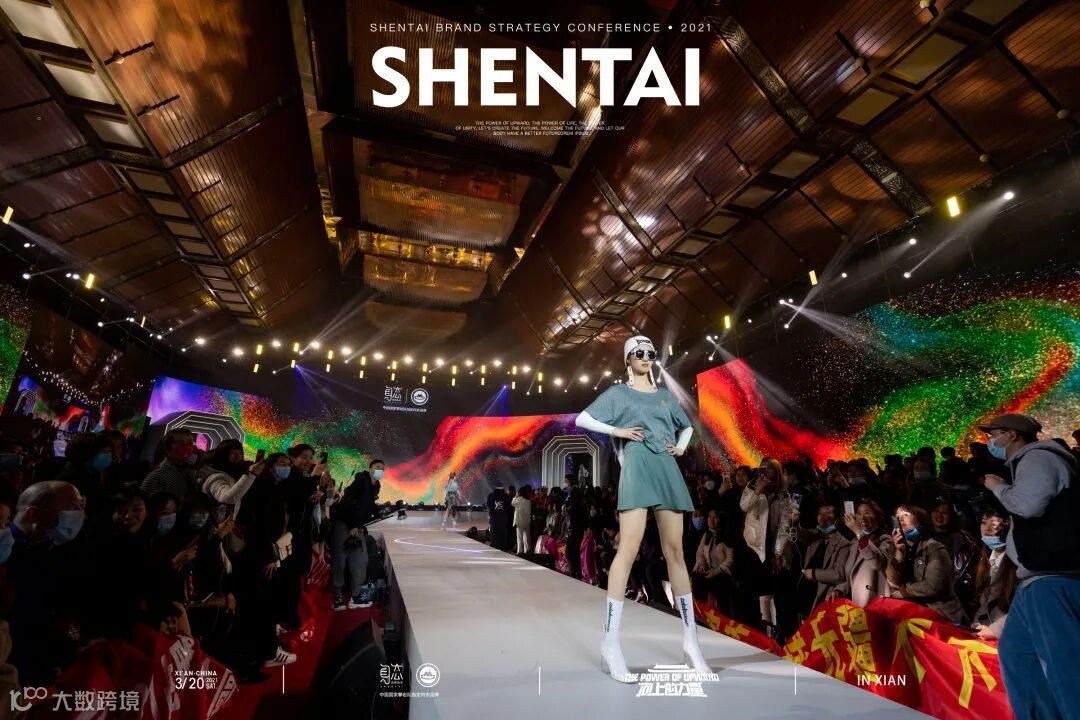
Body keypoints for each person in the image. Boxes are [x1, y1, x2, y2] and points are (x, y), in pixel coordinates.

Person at [575, 335, 709, 682]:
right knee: (628, 550)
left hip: (666, 466)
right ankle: (610, 643)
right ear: (627, 358)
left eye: (650, 352)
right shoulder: (618, 394)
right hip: (636, 464)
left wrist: (681, 447)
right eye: (639, 352)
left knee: (675, 552)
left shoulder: (665, 395)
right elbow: (582, 420)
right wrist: (617, 430)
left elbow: (687, 427)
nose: (646, 356)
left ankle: (691, 642)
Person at [977, 414, 1080, 718]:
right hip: (1034, 581)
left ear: (1012, 435)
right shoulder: (1028, 463)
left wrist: (998, 487)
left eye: (993, 434)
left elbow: (1028, 504)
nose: (989, 441)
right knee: (1018, 655)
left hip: (1052, 579)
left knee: (1064, 668)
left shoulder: (1038, 457)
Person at [6, 481, 86, 685]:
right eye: (72, 509)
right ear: (33, 514)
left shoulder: (57, 551)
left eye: (81, 507)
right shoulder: (6, 554)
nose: (79, 516)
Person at [738, 457, 792, 637]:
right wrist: (757, 491)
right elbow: (744, 506)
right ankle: (752, 631)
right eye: (763, 467)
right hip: (752, 546)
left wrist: (777, 553)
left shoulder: (783, 495)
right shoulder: (752, 486)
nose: (766, 471)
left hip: (772, 547)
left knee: (775, 592)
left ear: (776, 472)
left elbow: (784, 525)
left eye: (770, 468)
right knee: (749, 592)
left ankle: (776, 633)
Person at [887, 504, 968, 624]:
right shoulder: (896, 547)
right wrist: (899, 554)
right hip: (913, 614)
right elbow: (892, 580)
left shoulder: (934, 547)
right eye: (897, 516)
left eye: (906, 515)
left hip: (941, 615)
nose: (901, 519)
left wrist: (903, 591)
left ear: (920, 520)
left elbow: (933, 586)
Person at [329, 459, 382, 610]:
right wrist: (352, 524)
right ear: (370, 468)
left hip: (356, 525)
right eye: (377, 467)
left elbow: (367, 505)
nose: (380, 470)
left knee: (360, 559)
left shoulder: (375, 486)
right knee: (340, 558)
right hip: (343, 522)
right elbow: (348, 502)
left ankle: (356, 595)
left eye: (383, 468)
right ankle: (338, 598)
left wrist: (379, 510)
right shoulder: (361, 481)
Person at [833, 499, 892, 607]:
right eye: (859, 513)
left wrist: (858, 532)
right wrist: (839, 590)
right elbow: (852, 574)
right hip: (855, 602)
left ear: (877, 516)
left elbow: (877, 564)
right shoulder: (855, 542)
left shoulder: (885, 539)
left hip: (875, 602)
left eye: (867, 512)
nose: (862, 517)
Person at [797, 504, 851, 617]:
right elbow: (801, 534)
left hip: (822, 597)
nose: (822, 517)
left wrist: (814, 573)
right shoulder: (815, 539)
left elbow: (839, 574)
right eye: (820, 513)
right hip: (805, 597)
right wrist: (794, 522)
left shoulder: (843, 544)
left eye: (827, 513)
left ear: (836, 519)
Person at [971, 504, 1014, 641]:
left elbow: (1023, 608)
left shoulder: (1018, 563)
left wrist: (994, 630)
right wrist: (975, 626)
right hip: (985, 635)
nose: (987, 528)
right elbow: (982, 605)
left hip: (1008, 635)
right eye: (984, 522)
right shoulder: (984, 560)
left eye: (993, 523)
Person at [928, 499, 979, 611]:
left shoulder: (964, 539)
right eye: (936, 510)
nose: (939, 515)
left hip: (954, 599)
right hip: (928, 595)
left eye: (944, 513)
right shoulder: (924, 536)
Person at [690, 509, 735, 615]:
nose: (711, 520)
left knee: (720, 584)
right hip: (709, 571)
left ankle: (724, 616)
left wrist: (716, 571)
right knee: (696, 578)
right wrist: (702, 565)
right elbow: (700, 553)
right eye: (709, 516)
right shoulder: (706, 535)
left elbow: (730, 559)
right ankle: (700, 613)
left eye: (715, 517)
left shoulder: (727, 536)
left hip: (722, 573)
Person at [140, 428, 197, 500]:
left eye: (190, 443)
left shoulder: (187, 470)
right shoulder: (159, 474)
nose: (187, 447)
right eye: (181, 443)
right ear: (168, 447)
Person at [486, 481, 510, 551]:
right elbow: (508, 507)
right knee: (503, 537)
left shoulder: (490, 496)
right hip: (503, 519)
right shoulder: (506, 496)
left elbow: (489, 505)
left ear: (495, 487)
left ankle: (495, 552)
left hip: (494, 519)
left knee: (495, 537)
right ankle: (503, 551)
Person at [512, 485, 532, 554]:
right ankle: (527, 552)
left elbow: (512, 503)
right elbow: (528, 512)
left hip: (519, 522)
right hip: (526, 522)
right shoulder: (528, 500)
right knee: (527, 539)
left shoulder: (518, 499)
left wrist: (515, 496)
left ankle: (520, 552)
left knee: (519, 539)